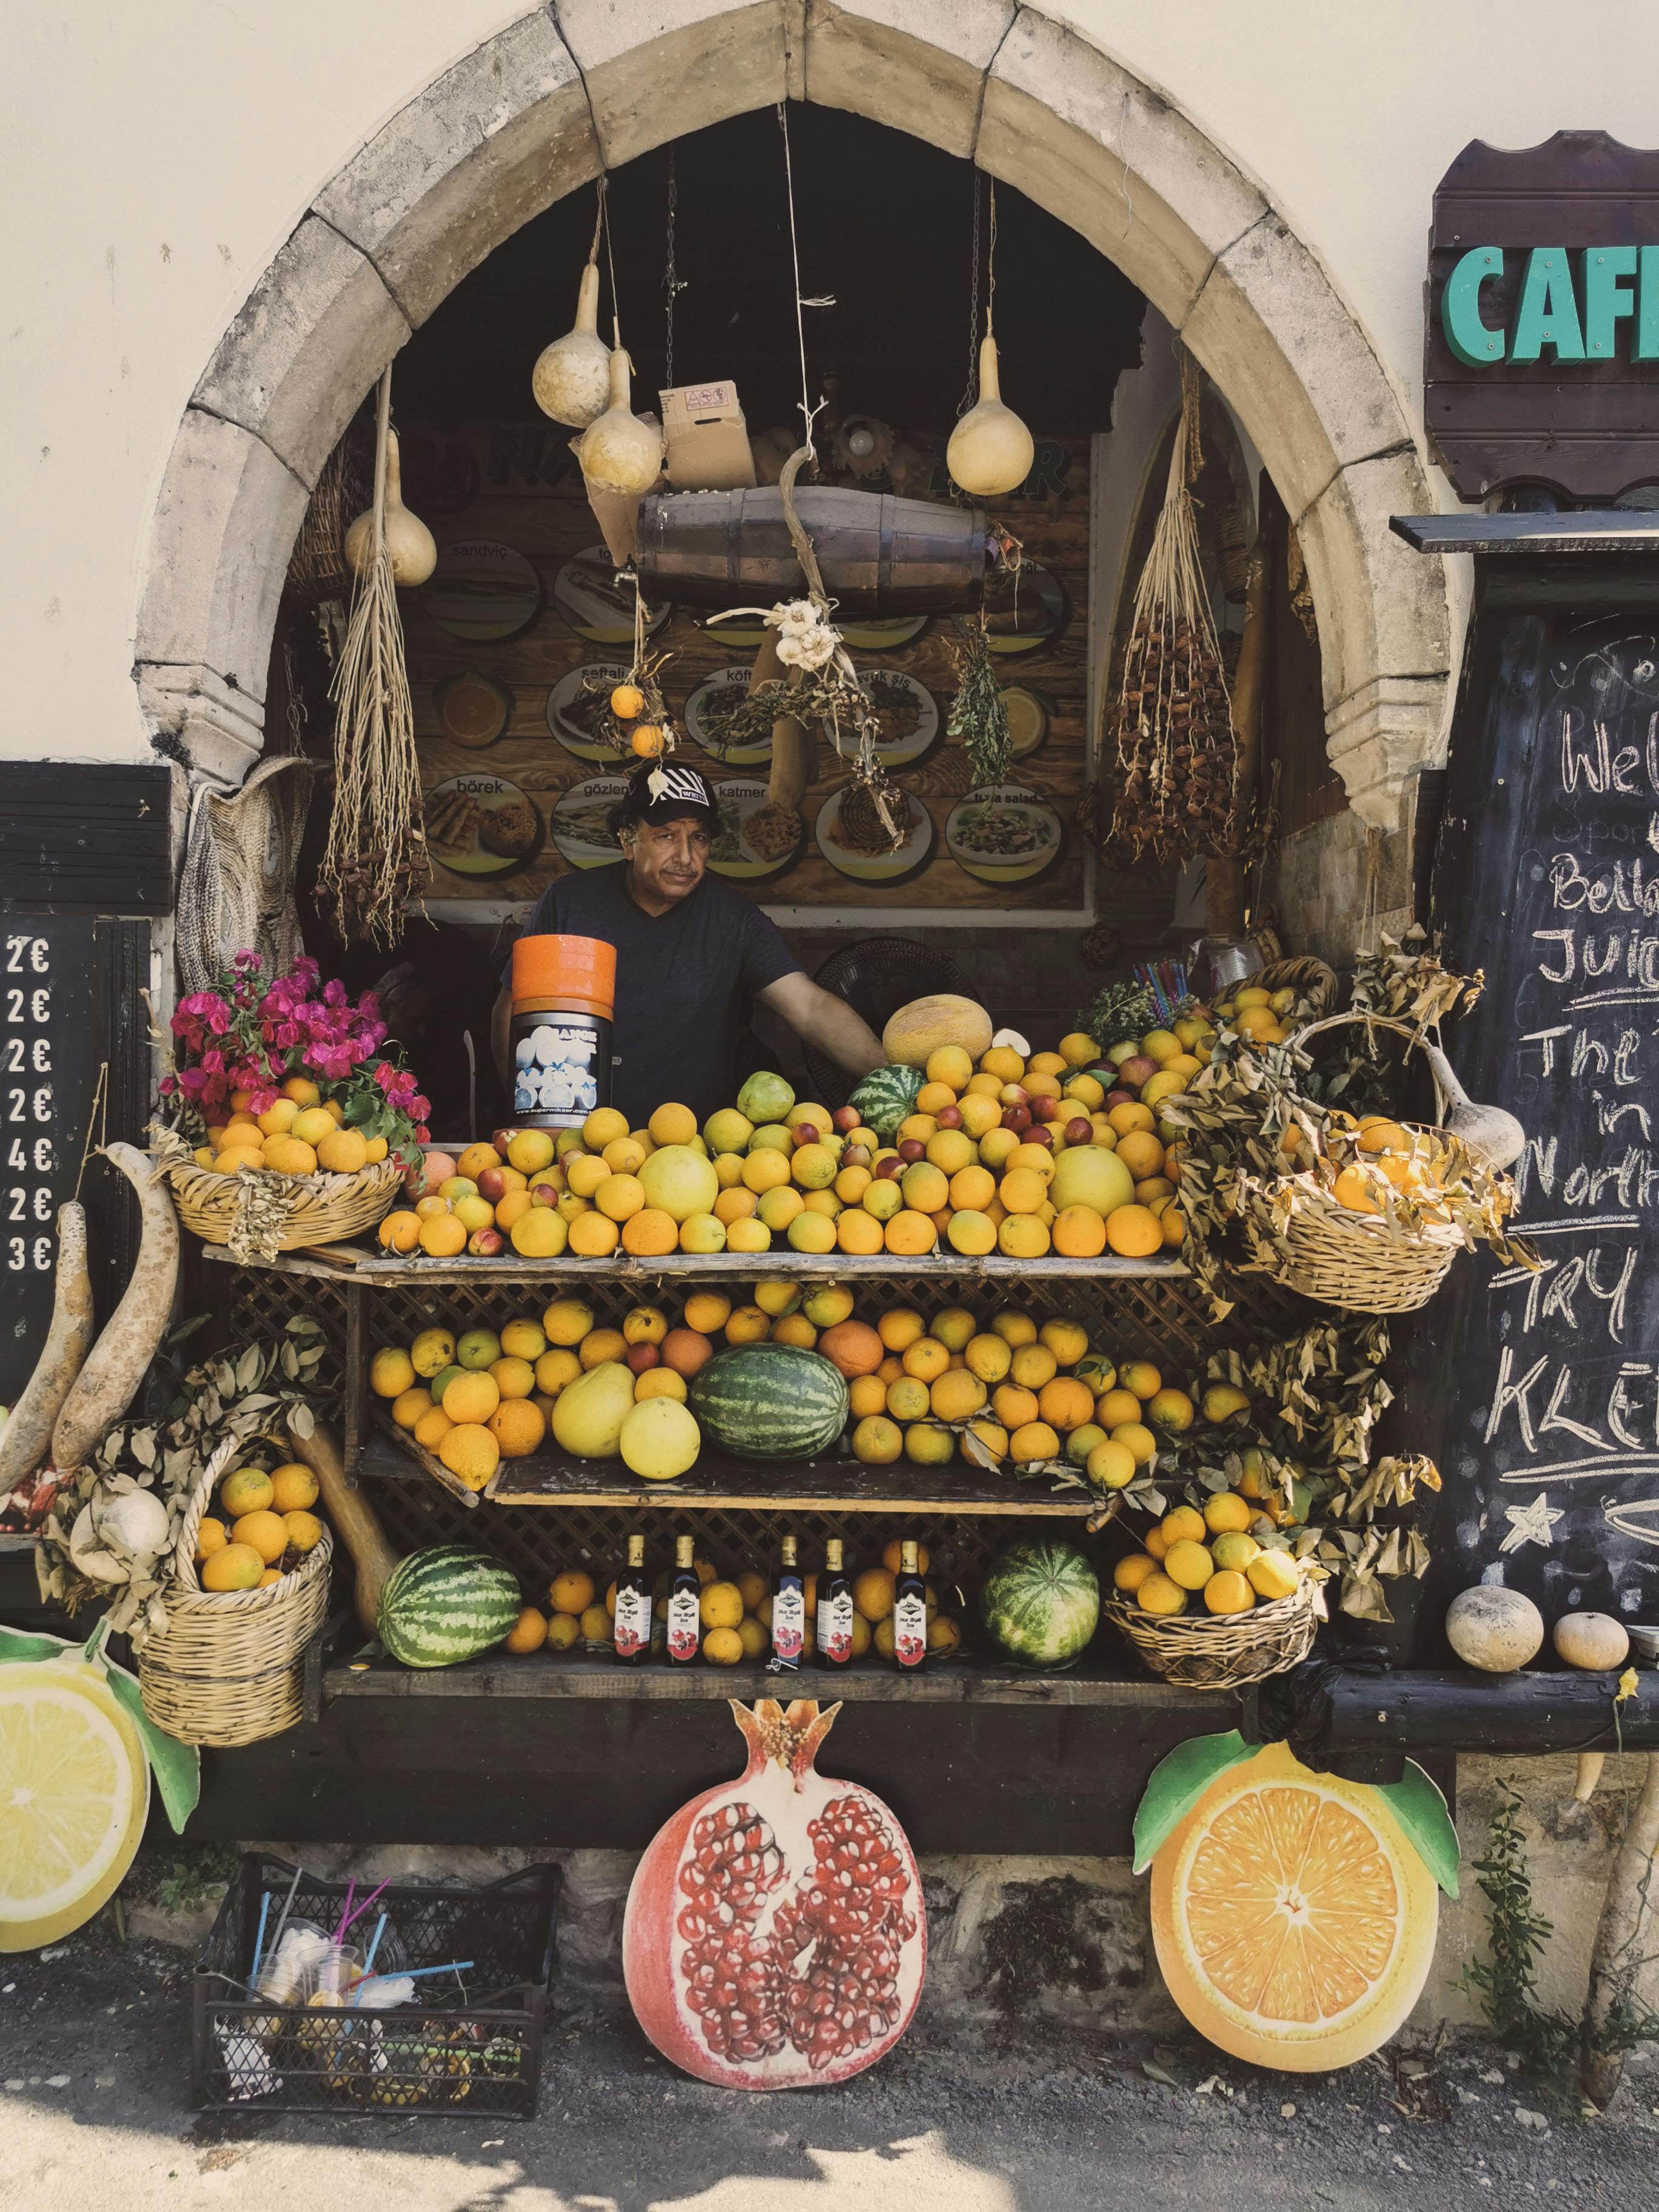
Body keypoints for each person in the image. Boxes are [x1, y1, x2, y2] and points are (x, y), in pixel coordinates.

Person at [492, 759, 882, 1128]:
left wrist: (893, 1076)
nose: (686, 857)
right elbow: (514, 1010)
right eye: (666, 836)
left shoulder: (735, 920)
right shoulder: (570, 903)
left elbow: (812, 1008)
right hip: (584, 1140)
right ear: (628, 840)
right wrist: (526, 1110)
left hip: (694, 1150)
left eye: (698, 838)